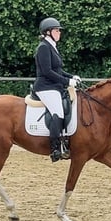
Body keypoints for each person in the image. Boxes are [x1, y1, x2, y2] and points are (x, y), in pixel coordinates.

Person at [33, 17, 81, 162]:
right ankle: (55, 148)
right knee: (58, 111)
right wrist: (67, 81)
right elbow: (47, 72)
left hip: (54, 86)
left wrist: (72, 77)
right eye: (56, 30)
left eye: (59, 30)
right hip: (45, 87)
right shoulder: (43, 47)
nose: (59, 32)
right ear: (48, 32)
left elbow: (58, 70)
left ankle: (65, 140)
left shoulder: (52, 46)